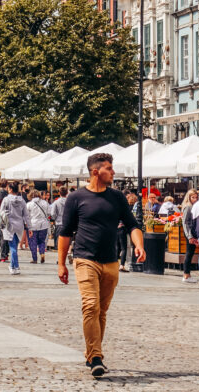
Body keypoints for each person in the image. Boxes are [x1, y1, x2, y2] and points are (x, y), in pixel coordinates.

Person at [57, 152, 144, 379]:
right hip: (85, 258)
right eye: (109, 168)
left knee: (101, 312)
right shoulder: (76, 198)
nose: (113, 172)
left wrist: (139, 245)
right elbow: (65, 233)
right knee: (91, 306)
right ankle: (96, 357)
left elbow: (132, 225)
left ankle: (91, 353)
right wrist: (61, 264)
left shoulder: (117, 197)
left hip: (111, 261)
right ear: (96, 172)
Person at [0, 181, 30, 276]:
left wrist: (0, 224)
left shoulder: (6, 200)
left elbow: (1, 212)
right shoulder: (22, 200)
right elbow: (26, 215)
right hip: (19, 225)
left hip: (9, 225)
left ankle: (15, 267)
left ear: (11, 189)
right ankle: (14, 266)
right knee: (14, 246)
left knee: (12, 247)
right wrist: (29, 227)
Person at [26, 189, 51, 264]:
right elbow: (49, 213)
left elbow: (26, 216)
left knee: (33, 242)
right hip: (44, 224)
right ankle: (42, 253)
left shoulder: (29, 204)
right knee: (41, 241)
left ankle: (34, 259)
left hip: (32, 225)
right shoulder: (45, 203)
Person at [181, 189, 199, 283]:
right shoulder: (188, 207)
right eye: (193, 197)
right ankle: (186, 275)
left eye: (196, 197)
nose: (195, 199)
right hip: (189, 232)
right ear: (189, 197)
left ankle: (187, 274)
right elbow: (185, 222)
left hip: (191, 231)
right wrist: (190, 236)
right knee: (189, 253)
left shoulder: (193, 206)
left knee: (190, 252)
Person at [117, 193, 136, 272]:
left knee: (117, 247)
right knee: (124, 248)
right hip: (124, 228)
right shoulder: (131, 208)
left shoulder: (121, 206)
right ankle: (122, 265)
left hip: (117, 227)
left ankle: (115, 264)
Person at [49, 186, 68, 250]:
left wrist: (55, 218)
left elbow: (53, 213)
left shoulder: (56, 202)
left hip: (59, 223)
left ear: (59, 193)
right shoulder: (70, 201)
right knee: (67, 241)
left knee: (58, 242)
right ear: (67, 193)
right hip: (68, 223)